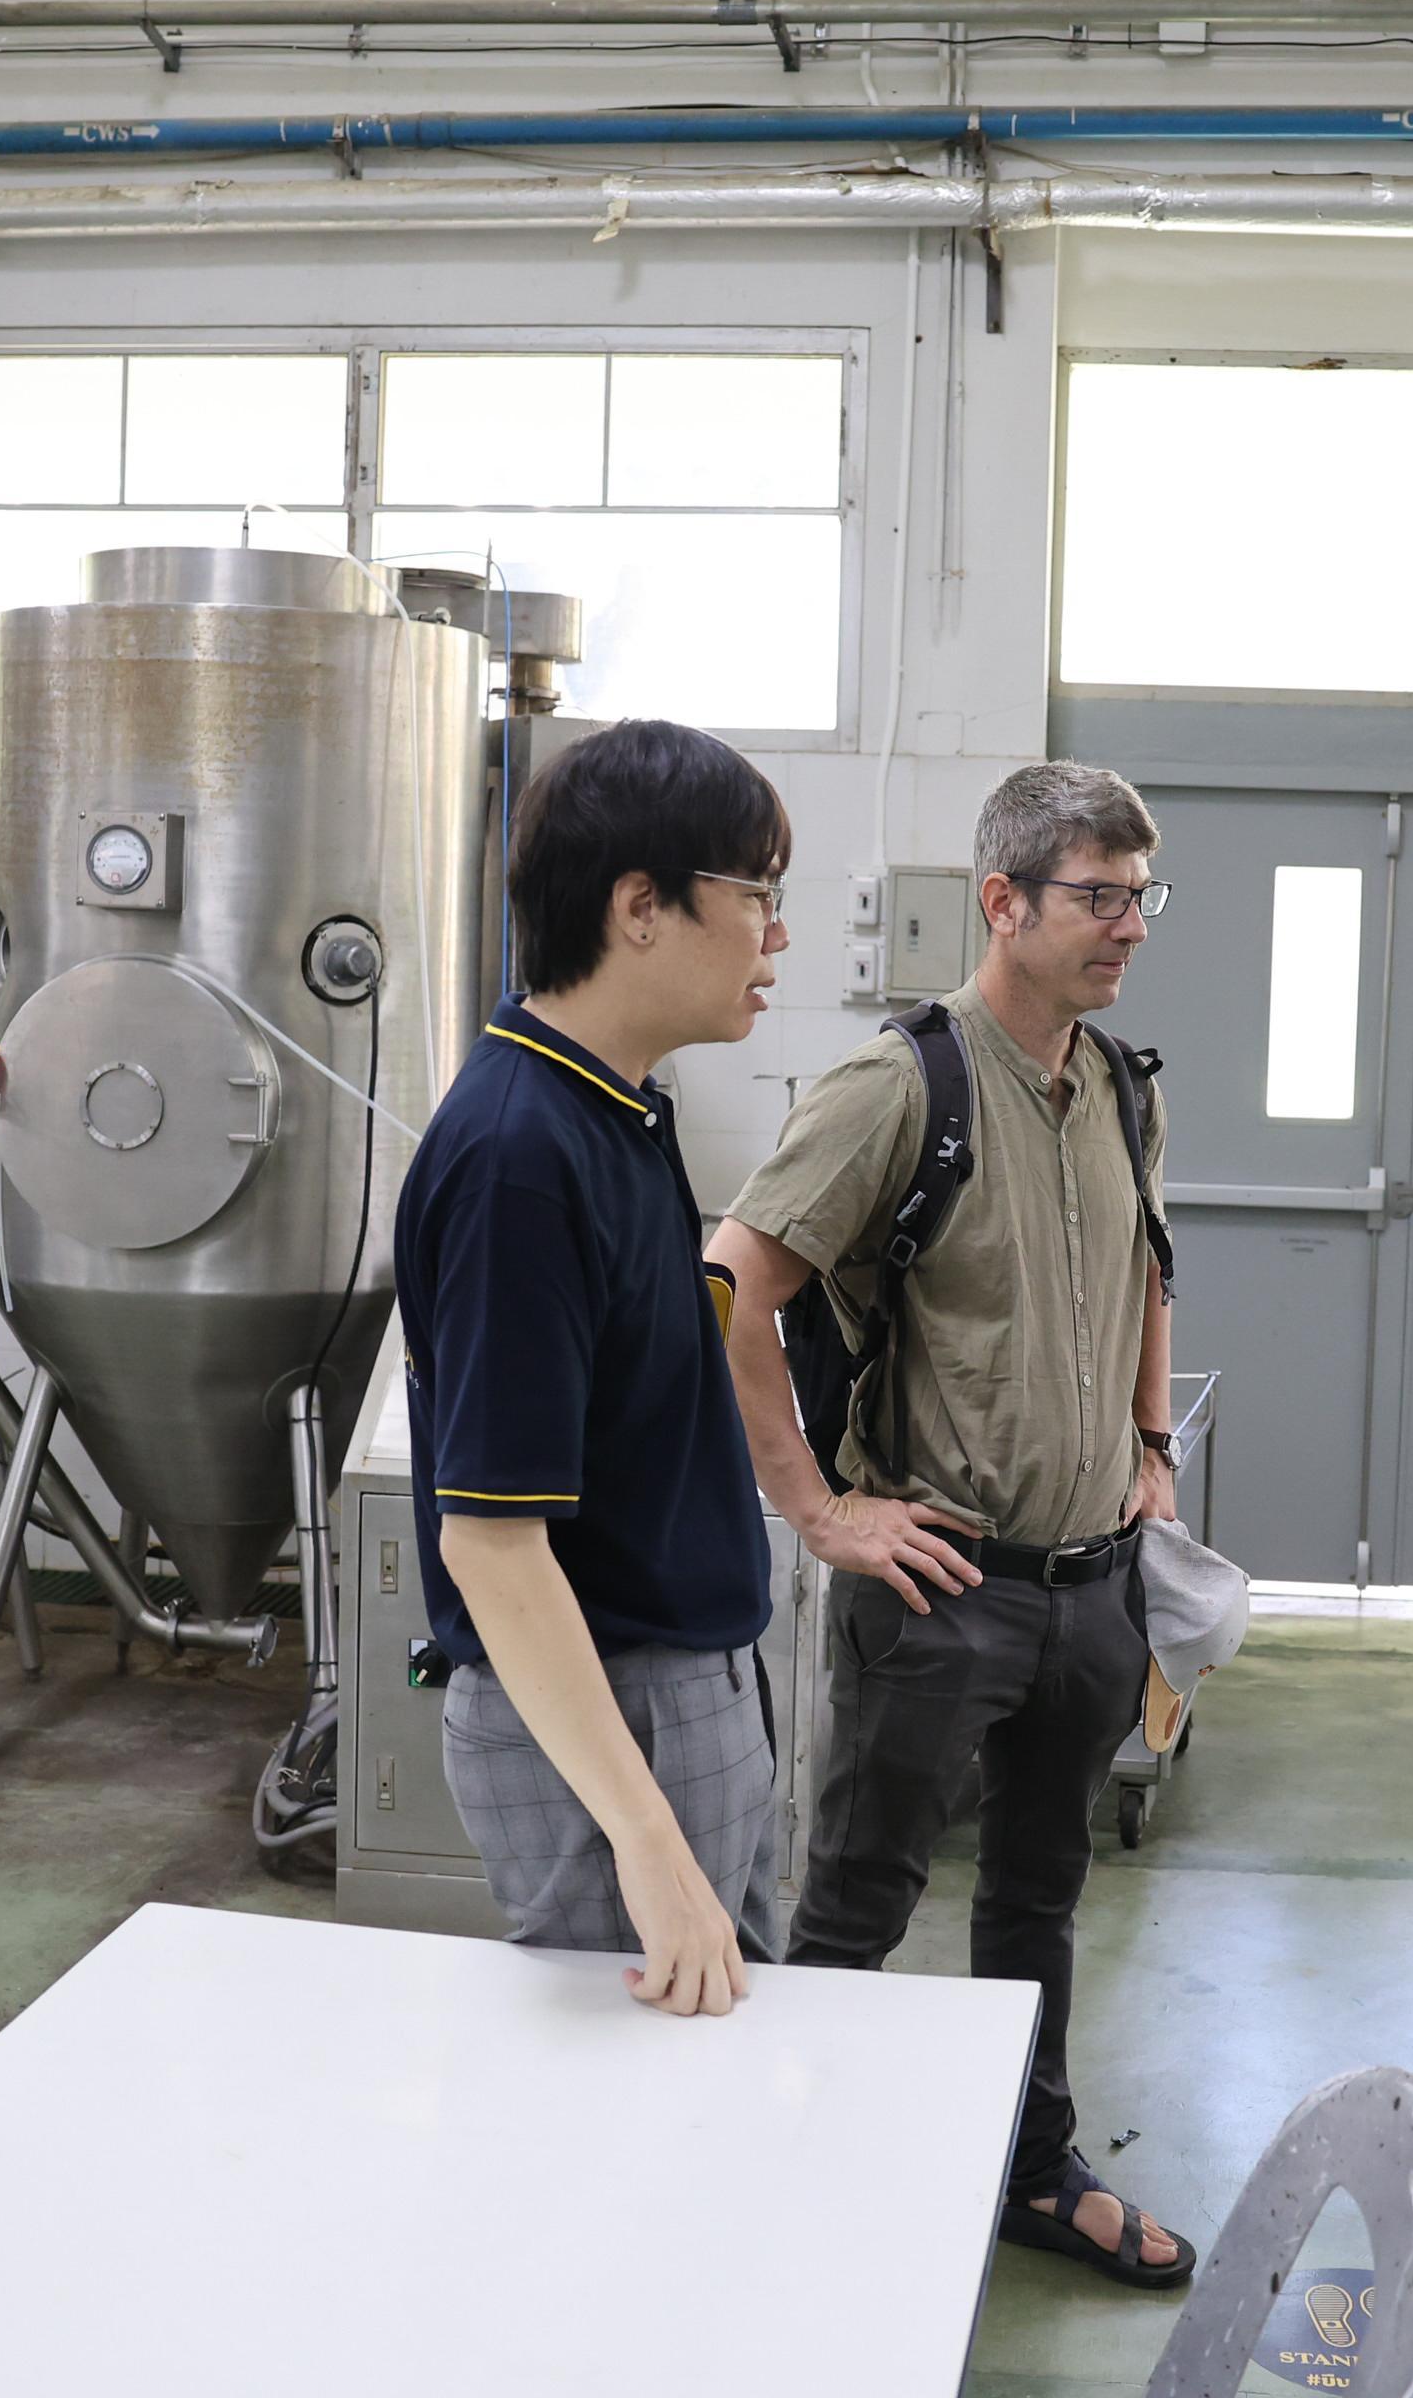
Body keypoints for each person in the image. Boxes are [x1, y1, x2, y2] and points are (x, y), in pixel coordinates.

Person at [707, 760, 1199, 2287]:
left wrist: (1150, 1446)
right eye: (1099, 897)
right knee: (859, 1904)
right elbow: (730, 1287)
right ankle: (792, 2200)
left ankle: (1029, 2171)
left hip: (1093, 1587)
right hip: (940, 1588)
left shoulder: (1122, 1086)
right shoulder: (898, 1088)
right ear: (1004, 902)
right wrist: (819, 1510)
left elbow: (1150, 1268)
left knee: (1040, 1901)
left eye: (1141, 897)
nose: (1130, 927)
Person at [396, 718, 794, 2018]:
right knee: (638, 2085)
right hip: (611, 1715)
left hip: (675, 1690)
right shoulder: (519, 1157)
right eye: (756, 894)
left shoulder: (614, 1106)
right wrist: (648, 1839)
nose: (777, 935)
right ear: (640, 907)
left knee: (715, 2054)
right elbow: (490, 1543)